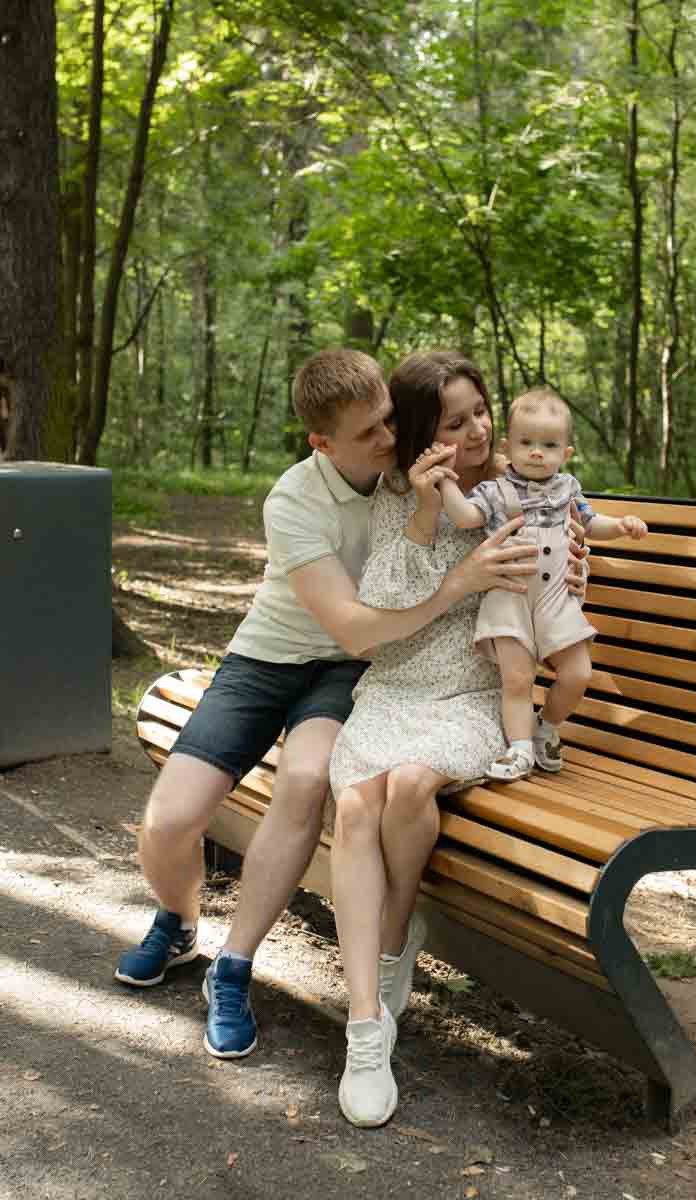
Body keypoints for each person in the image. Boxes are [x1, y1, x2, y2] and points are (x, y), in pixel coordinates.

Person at [114, 348, 543, 1063]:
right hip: (268, 660)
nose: (387, 438)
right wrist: (456, 584)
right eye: (371, 431)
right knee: (170, 820)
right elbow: (355, 623)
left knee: (310, 780)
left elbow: (501, 480)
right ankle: (180, 919)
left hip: (342, 674)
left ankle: (234, 967)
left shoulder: (408, 476)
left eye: (388, 421)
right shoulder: (294, 501)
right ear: (323, 442)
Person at [326, 354, 589, 1128]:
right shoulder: (404, 496)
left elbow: (560, 566)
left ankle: (394, 933)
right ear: (422, 434)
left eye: (481, 412)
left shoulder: (521, 488)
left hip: (473, 698)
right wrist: (427, 512)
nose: (476, 430)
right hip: (395, 690)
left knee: (409, 786)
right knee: (354, 810)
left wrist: (577, 555)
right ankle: (366, 1027)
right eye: (454, 421)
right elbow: (380, 622)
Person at [438, 383, 647, 781]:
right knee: (516, 678)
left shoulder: (568, 489)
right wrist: (446, 481)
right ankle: (519, 750)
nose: (537, 452)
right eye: (527, 442)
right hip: (510, 594)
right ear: (507, 446)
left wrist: (620, 526)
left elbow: (590, 522)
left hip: (555, 597)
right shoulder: (494, 491)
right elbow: (465, 517)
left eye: (549, 446)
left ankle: (546, 726)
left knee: (577, 672)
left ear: (565, 454)